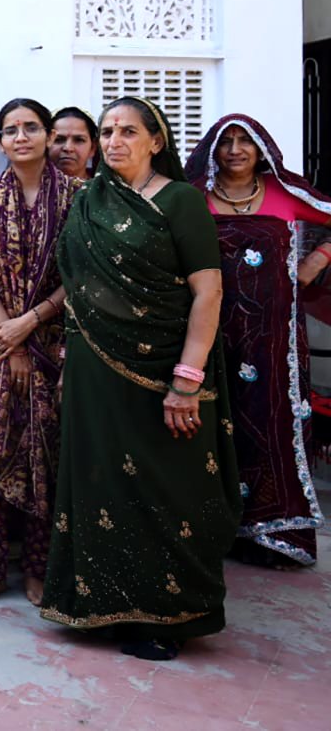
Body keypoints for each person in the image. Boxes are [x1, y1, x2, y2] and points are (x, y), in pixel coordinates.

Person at [41, 98, 241, 662]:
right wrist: (69, 362)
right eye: (107, 131)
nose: (114, 141)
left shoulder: (181, 200)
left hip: (165, 373)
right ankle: (99, 605)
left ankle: (165, 616)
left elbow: (208, 291)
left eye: (128, 131)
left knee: (167, 488)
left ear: (157, 140)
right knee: (100, 484)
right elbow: (80, 288)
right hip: (93, 372)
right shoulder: (88, 201)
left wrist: (187, 379)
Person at [0, 99, 82, 606]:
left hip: (51, 341)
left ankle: (36, 569)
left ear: (48, 135)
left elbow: (81, 273)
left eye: (31, 128)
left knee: (44, 453)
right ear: (0, 141)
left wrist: (31, 323)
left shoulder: (79, 198)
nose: (21, 137)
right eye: (10, 130)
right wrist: (10, 335)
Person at [184, 114, 329, 567]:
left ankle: (275, 534)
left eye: (244, 141)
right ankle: (215, 530)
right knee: (216, 425)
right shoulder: (193, 197)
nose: (234, 150)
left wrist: (317, 260)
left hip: (276, 340)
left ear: (262, 149)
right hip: (211, 336)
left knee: (272, 423)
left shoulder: (287, 193)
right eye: (225, 141)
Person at [47, 106, 98, 181]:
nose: (68, 148)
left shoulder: (106, 187)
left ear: (92, 148)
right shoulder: (31, 186)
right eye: (58, 140)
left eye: (79, 140)